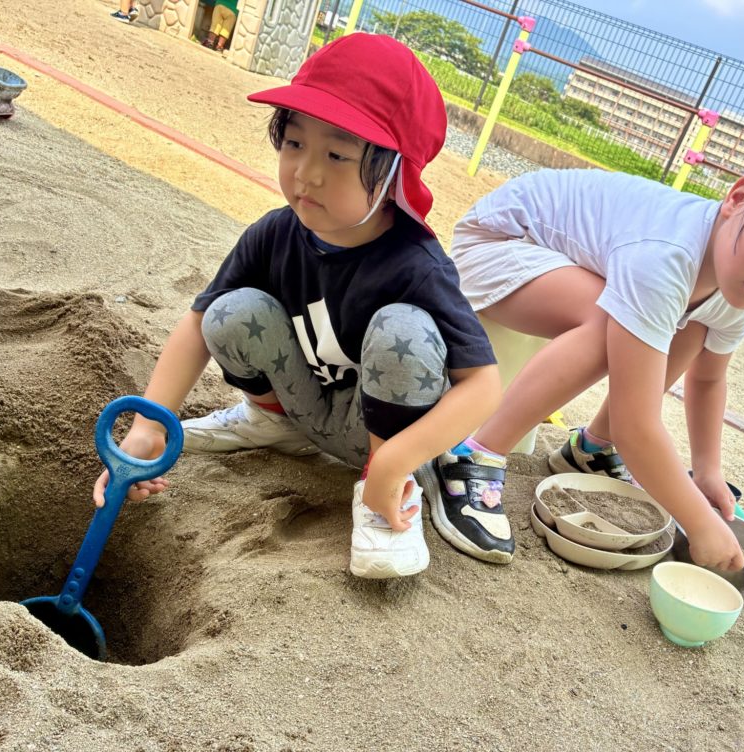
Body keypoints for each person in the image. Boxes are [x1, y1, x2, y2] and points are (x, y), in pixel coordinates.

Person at [91, 33, 500, 579]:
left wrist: (398, 459)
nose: (306, 173)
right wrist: (149, 426)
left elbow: (483, 384)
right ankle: (270, 422)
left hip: (380, 436)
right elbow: (197, 326)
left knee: (406, 329)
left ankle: (384, 497)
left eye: (336, 154)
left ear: (394, 172)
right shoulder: (275, 233)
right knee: (229, 311)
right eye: (293, 143)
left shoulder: (416, 264)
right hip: (304, 407)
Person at [420, 142, 744, 570]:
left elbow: (707, 381)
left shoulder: (742, 282)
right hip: (500, 245)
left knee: (693, 325)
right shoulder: (666, 255)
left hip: (565, 265)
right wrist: (702, 525)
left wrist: (707, 471)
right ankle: (472, 453)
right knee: (609, 320)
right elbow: (638, 424)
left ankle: (591, 450)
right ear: (739, 197)